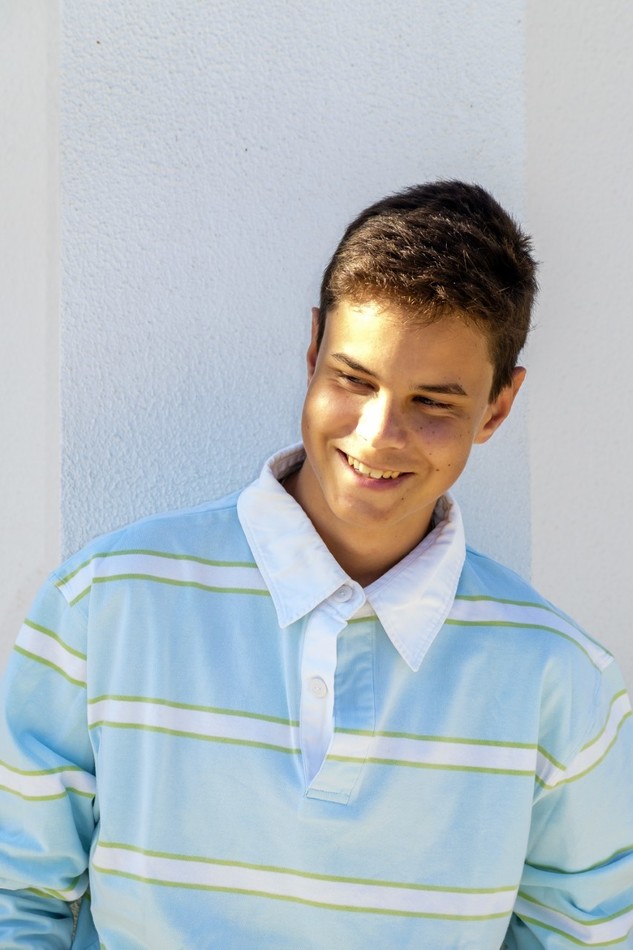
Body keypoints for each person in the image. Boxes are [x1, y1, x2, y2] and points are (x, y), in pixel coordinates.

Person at [1, 180, 631, 948]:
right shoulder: (105, 602)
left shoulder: (560, 679)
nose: (377, 434)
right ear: (312, 350)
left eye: (433, 402)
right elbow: (14, 897)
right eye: (353, 380)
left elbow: (585, 936)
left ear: (497, 406)